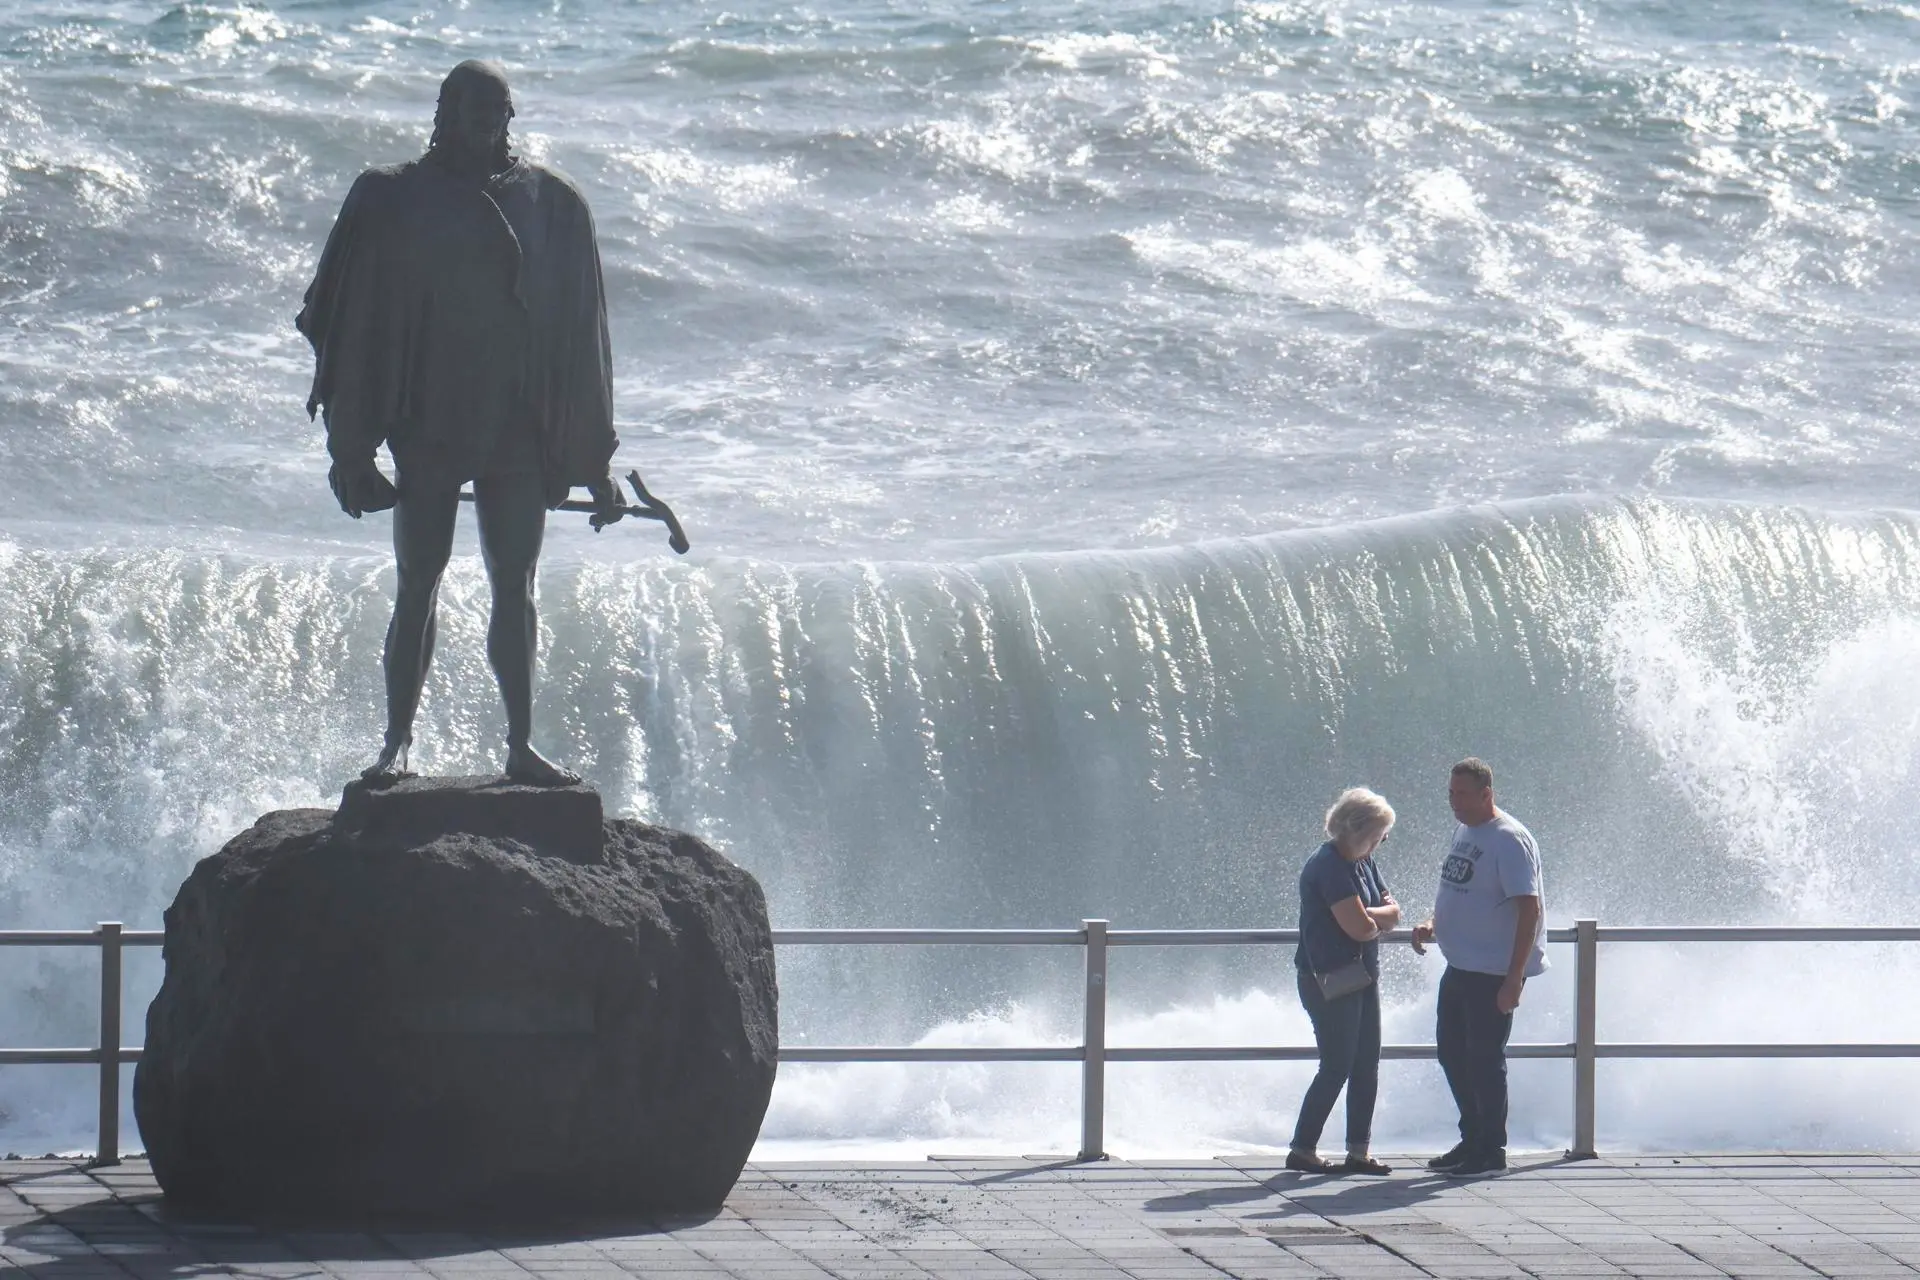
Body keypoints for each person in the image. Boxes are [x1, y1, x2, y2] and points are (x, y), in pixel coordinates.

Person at [296, 59, 627, 787]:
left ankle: (520, 746)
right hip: (430, 428)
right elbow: (350, 324)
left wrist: (590, 462)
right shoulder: (392, 198)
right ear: (440, 112)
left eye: (497, 111)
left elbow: (584, 346)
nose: (484, 123)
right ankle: (397, 743)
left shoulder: (554, 204)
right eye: (469, 108)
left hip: (516, 433)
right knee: (419, 579)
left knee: (517, 583)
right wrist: (353, 452)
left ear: (512, 117)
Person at [1410, 758, 1546, 1177]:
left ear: (1487, 794)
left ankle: (1492, 1151)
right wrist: (1434, 923)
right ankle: (1472, 1138)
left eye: (1463, 794)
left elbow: (1530, 909)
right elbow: (1461, 886)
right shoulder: (1465, 828)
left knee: (1485, 1059)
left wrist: (1513, 978)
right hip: (1461, 963)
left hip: (1492, 969)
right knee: (1451, 1053)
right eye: (1451, 793)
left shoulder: (1509, 839)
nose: (1454, 802)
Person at [1287, 787, 1402, 1175]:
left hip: (1363, 975)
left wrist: (1369, 916)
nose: (1383, 841)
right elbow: (1360, 929)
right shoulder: (1329, 865)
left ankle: (1358, 1151)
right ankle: (1302, 1148)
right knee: (1336, 1065)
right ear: (1358, 830)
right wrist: (1370, 920)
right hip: (1328, 978)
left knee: (1366, 1063)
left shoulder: (1362, 860)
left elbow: (1392, 913)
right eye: (1379, 834)